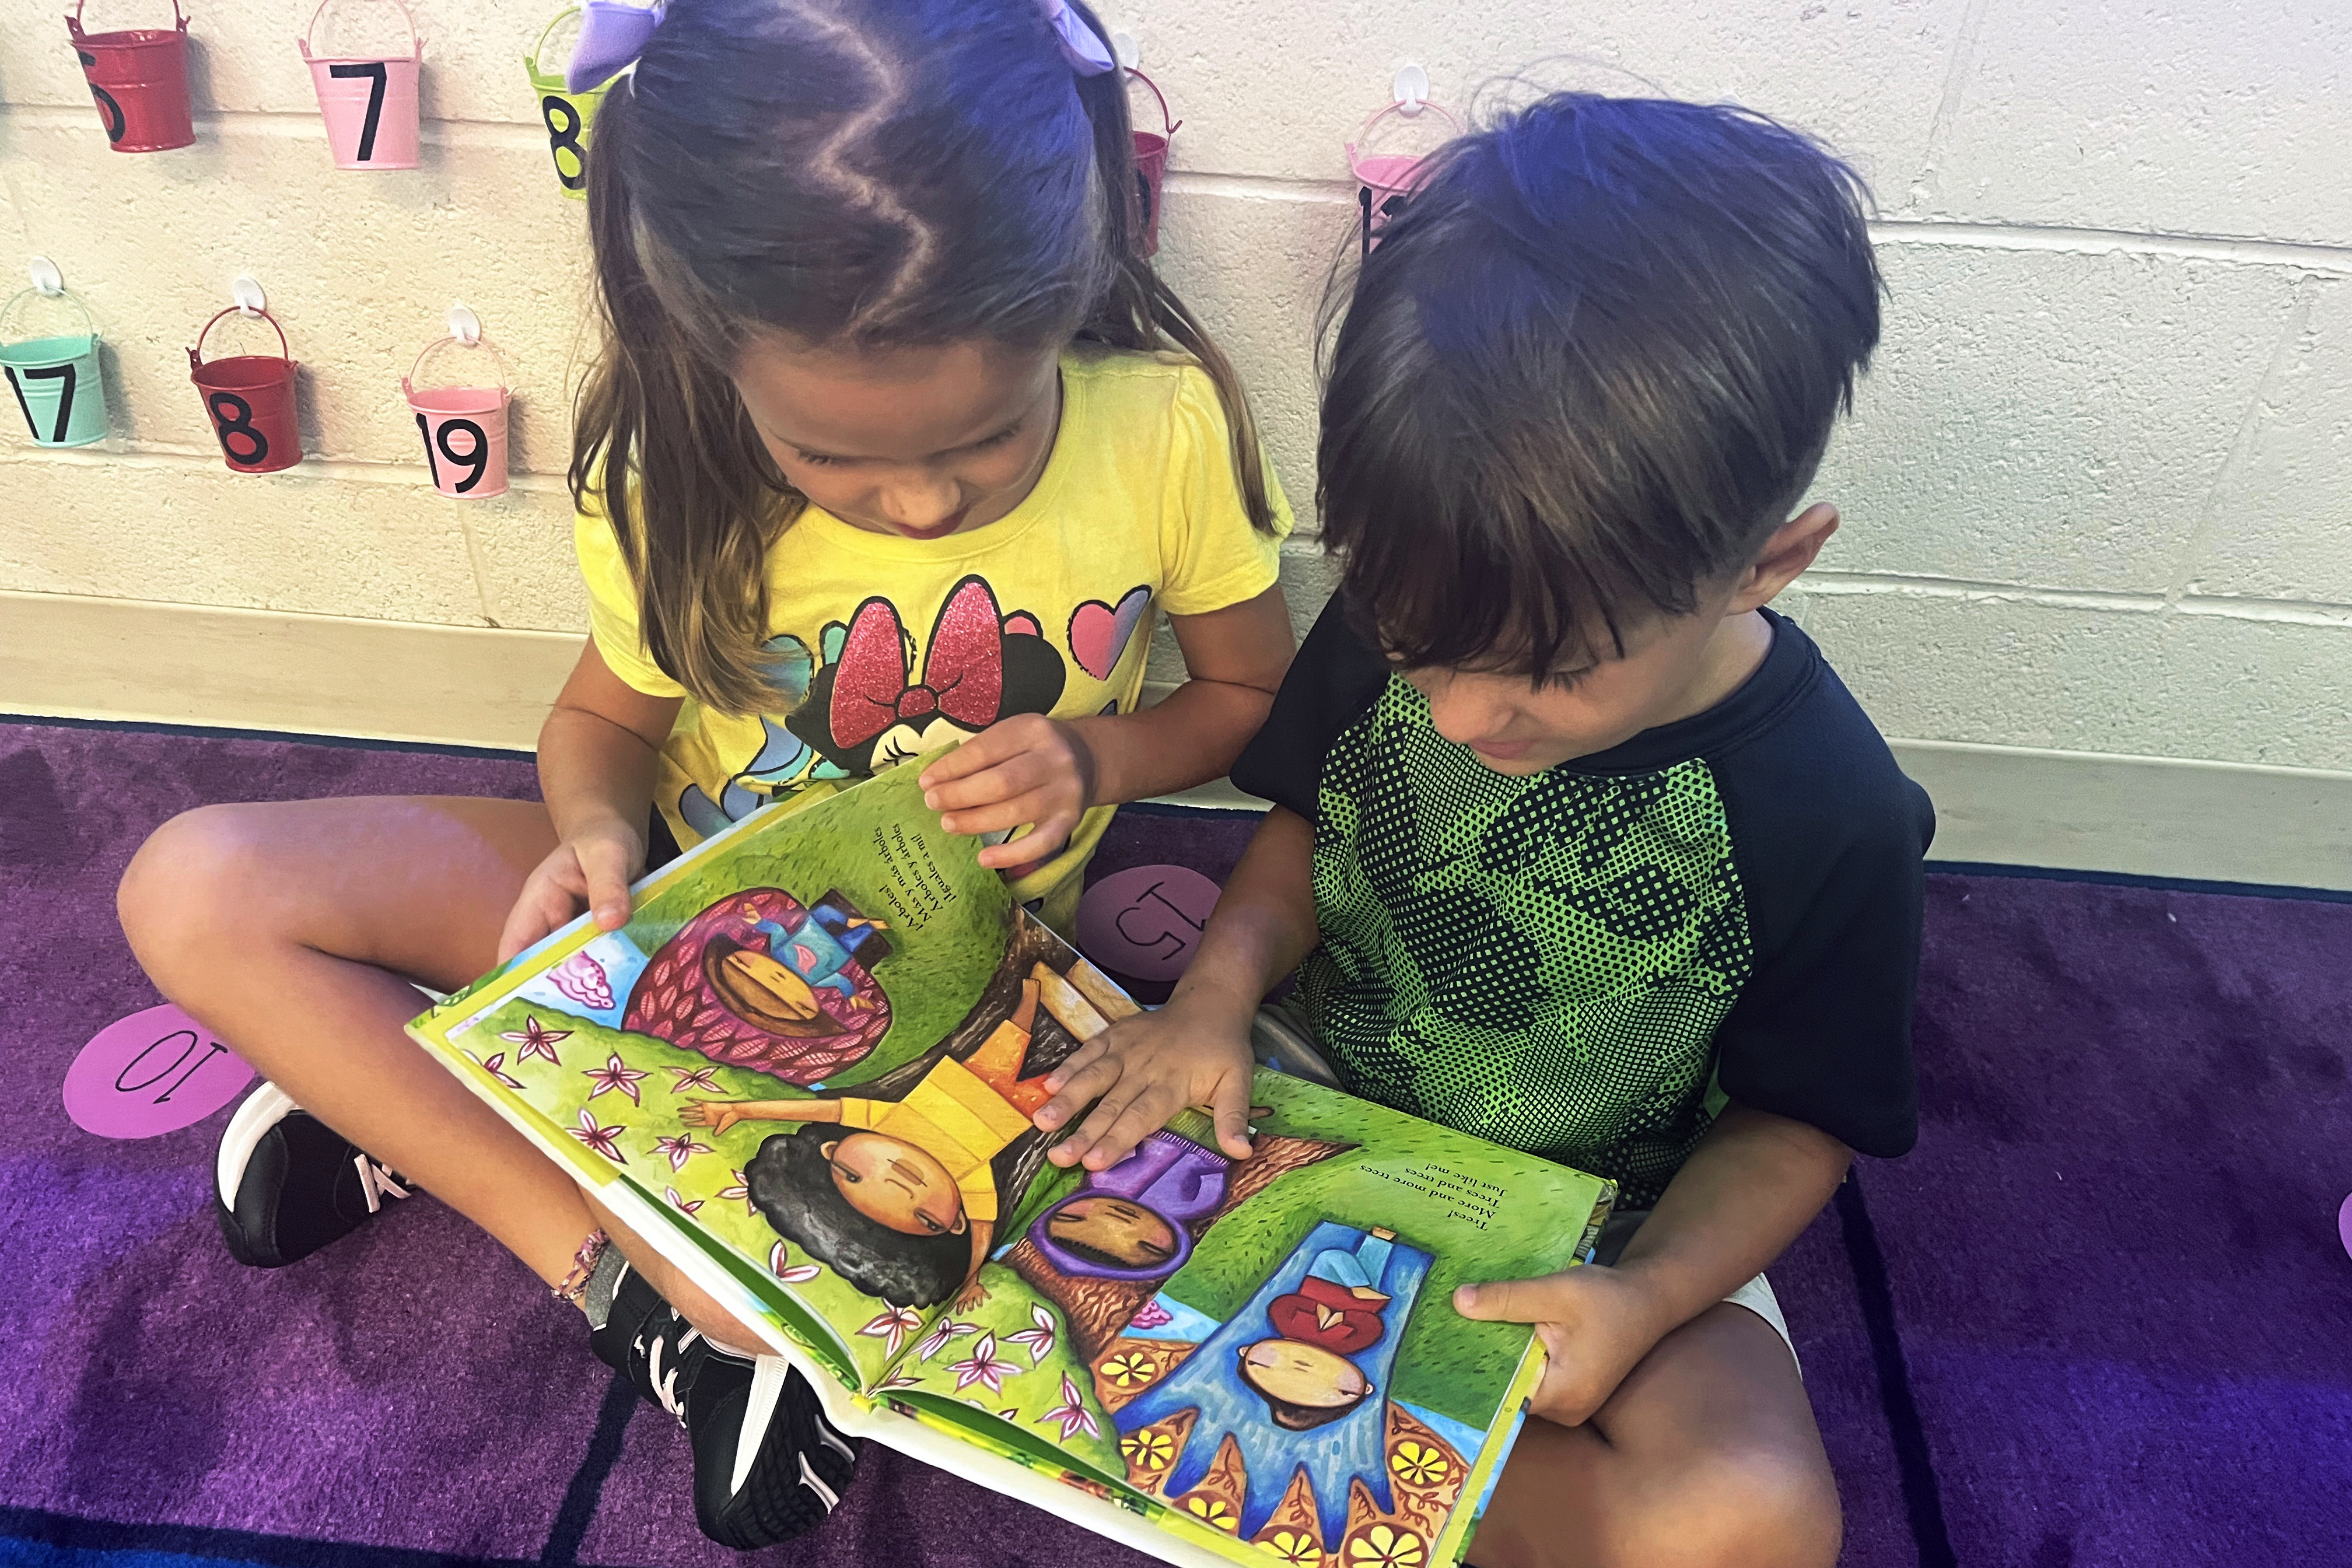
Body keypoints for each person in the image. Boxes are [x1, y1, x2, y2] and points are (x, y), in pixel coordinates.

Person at [114, 0, 1294, 1549]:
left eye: (993, 437)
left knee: (815, 1284)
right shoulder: (671, 456)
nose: (924, 499)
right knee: (187, 887)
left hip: (954, 1015)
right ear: (706, 344)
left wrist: (1102, 751)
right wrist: (592, 836)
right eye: (836, 456)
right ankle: (613, 1273)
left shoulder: (1162, 426)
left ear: (1069, 289)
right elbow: (600, 725)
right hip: (678, 926)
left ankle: (482, 1138)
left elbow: (1248, 695)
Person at [1035, 93, 1933, 1568]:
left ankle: (1266, 1439)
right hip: (1312, 1105)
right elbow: (1303, 840)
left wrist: (1643, 1300)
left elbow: (1799, 1125)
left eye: (1552, 677)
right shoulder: (1423, 597)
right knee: (1043, 1196)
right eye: (1420, 654)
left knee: (1756, 1518)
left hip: (1612, 1213)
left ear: (1764, 566)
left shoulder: (1830, 813)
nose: (1458, 719)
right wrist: (1209, 995)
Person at [686, 980, 1054, 1308]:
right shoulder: (972, 1178)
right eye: (924, 1217)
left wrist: (741, 1109)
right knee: (1057, 1082)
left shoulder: (886, 1121)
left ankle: (1032, 992)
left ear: (831, 1150)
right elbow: (983, 1232)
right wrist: (971, 1277)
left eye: (856, 1176)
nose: (898, 1185)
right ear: (954, 1222)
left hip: (974, 1073)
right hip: (1022, 1110)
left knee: (1009, 1039)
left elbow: (822, 1109)